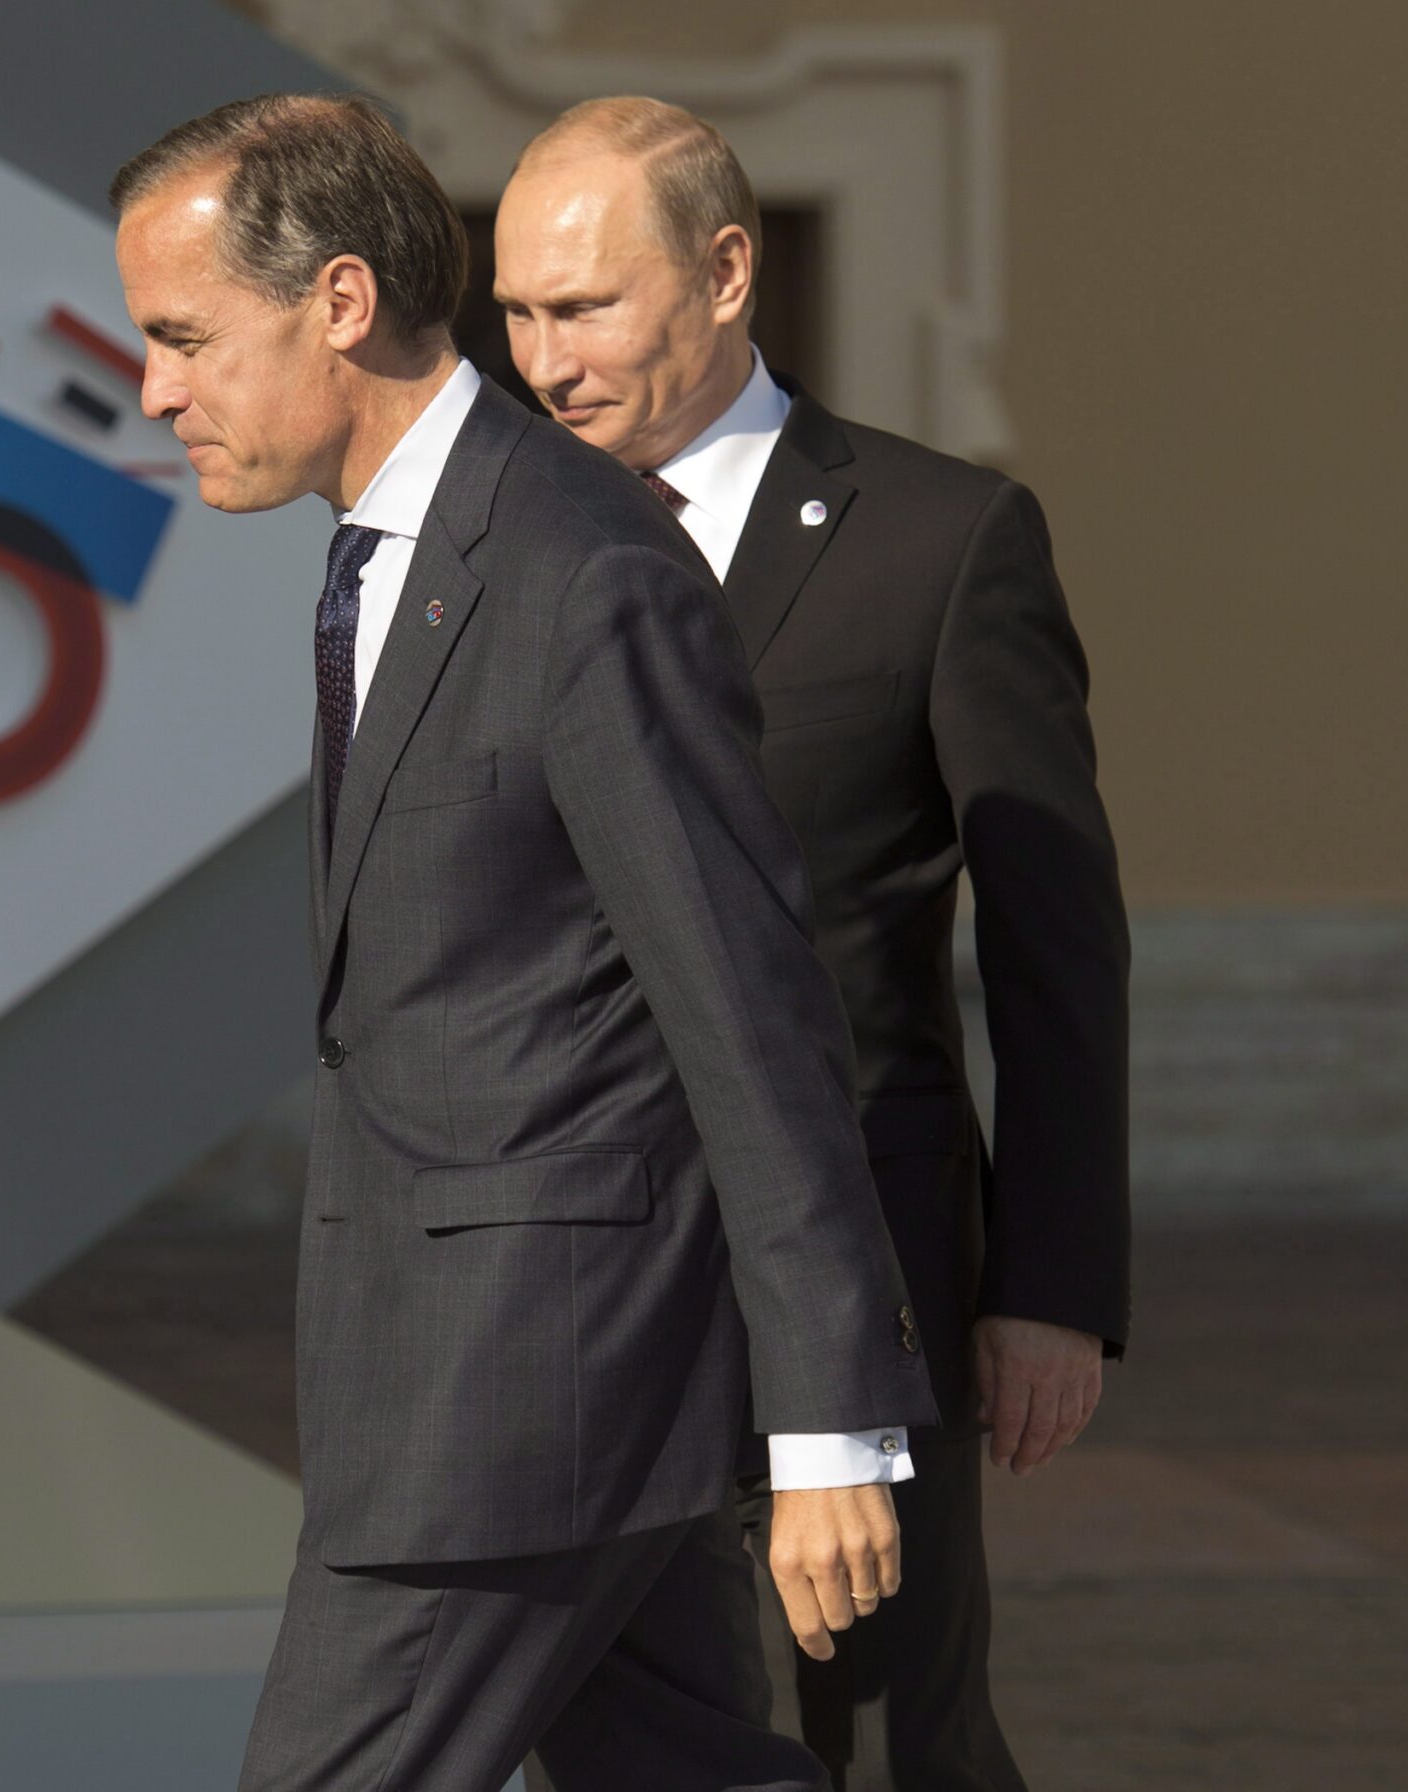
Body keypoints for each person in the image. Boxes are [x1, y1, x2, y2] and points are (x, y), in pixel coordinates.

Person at [110, 93, 935, 1791]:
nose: (155, 389)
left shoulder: (579, 568)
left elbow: (746, 998)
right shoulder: (396, 560)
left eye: (183, 336)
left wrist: (830, 1416)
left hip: (509, 1400)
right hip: (511, 1380)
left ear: (340, 303)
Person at [493, 98, 1131, 1790]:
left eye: (585, 309)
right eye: (517, 315)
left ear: (722, 273)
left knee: (883, 1726)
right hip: (573, 1256)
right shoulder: (489, 554)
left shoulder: (944, 542)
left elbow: (1061, 945)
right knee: (621, 1725)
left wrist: (1052, 1291)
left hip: (868, 1260)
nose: (543, 362)